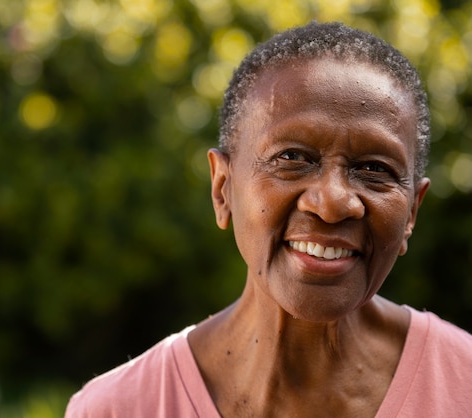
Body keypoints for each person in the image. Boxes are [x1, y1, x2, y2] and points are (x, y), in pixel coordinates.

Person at [65, 21, 472, 417]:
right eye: (292, 158)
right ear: (222, 188)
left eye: (375, 169)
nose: (331, 203)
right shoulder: (118, 408)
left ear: (412, 211)